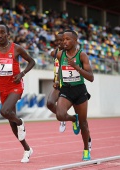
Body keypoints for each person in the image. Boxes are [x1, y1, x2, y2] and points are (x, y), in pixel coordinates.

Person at [0, 24, 35, 163]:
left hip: (15, 85)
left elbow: (32, 62)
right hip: (2, 87)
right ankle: (27, 149)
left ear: (8, 34)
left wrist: (22, 74)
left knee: (4, 111)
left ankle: (20, 121)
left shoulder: (16, 48)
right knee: (11, 122)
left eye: (2, 32)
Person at [55, 30, 94, 161]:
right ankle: (73, 119)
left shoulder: (81, 55)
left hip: (80, 90)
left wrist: (77, 67)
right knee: (60, 115)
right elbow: (60, 69)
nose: (64, 42)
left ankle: (86, 150)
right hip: (66, 89)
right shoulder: (61, 55)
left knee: (84, 124)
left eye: (67, 39)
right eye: (63, 39)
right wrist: (57, 81)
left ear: (75, 41)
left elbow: (91, 77)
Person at [47, 32, 66, 133]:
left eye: (61, 40)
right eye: (57, 40)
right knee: (50, 103)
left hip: (70, 85)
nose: (59, 42)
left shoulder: (70, 52)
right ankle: (63, 118)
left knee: (79, 111)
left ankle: (75, 120)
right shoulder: (54, 53)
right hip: (58, 85)